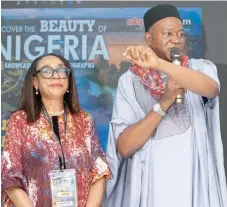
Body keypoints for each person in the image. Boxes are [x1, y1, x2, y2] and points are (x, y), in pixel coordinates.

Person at [104, 4, 227, 207]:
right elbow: (124, 147)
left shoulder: (199, 68)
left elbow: (212, 89)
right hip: (150, 190)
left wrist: (160, 64)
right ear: (149, 39)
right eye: (168, 33)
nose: (176, 40)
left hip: (194, 189)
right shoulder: (129, 80)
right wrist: (165, 101)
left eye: (180, 34)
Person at [1, 53, 111, 207]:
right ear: (35, 82)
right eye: (46, 71)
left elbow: (99, 172)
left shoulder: (85, 121)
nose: (55, 76)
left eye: (61, 71)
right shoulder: (20, 121)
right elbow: (10, 178)